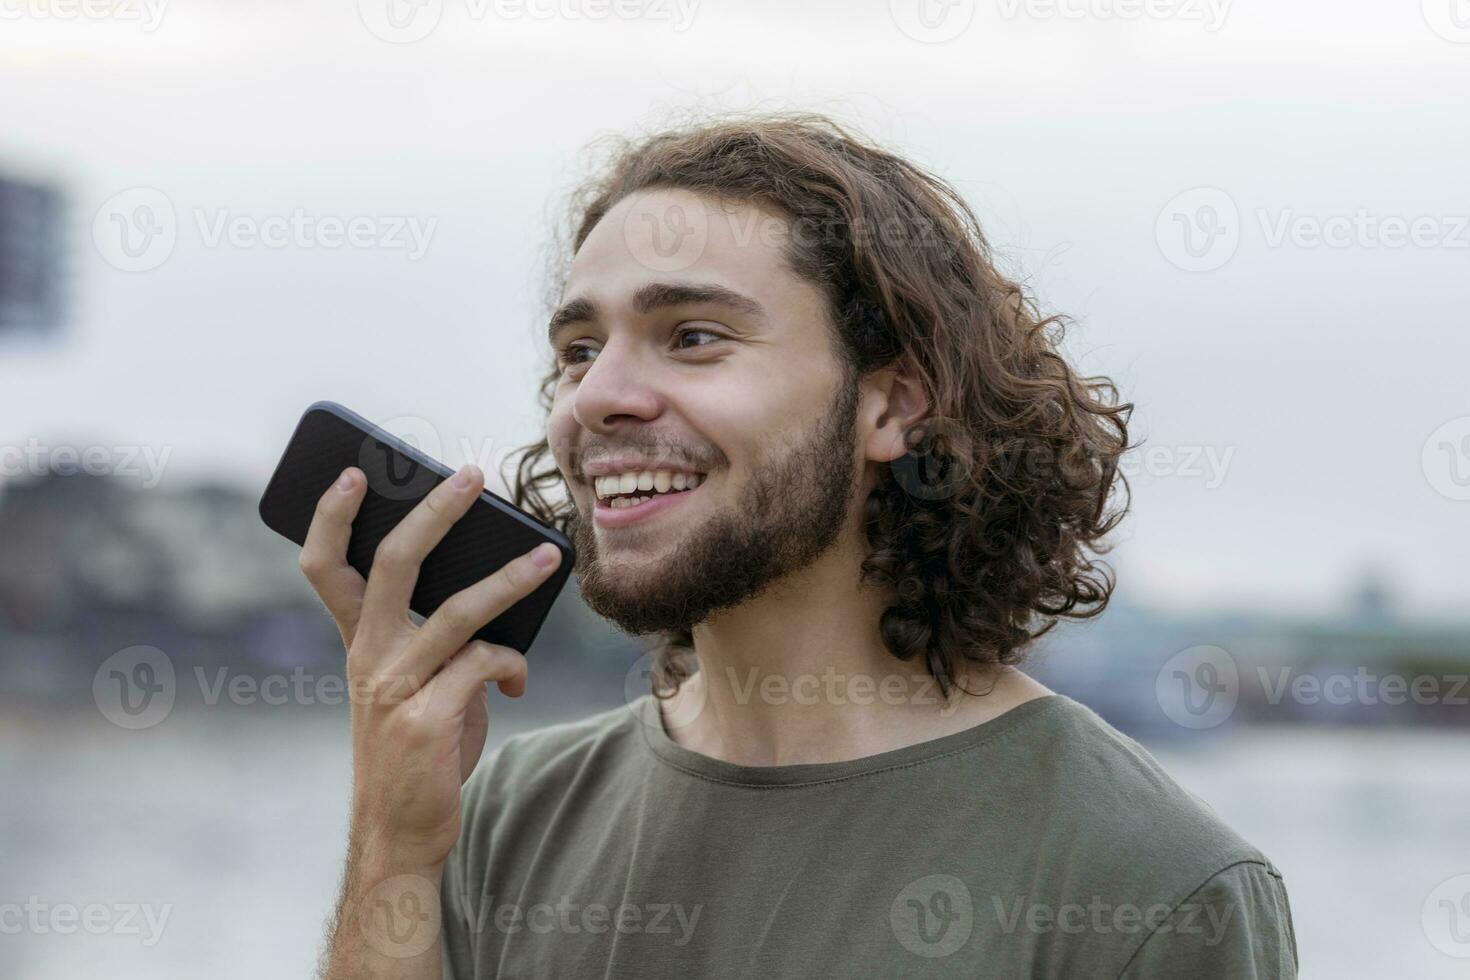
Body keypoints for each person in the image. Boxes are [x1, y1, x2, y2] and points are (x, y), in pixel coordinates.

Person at [301, 111, 1298, 978]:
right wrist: (391, 845)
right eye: (578, 349)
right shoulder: (506, 812)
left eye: (693, 335)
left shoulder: (1151, 881)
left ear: (891, 405)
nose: (596, 396)